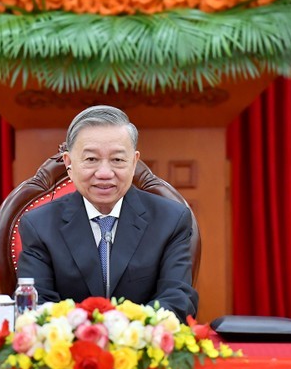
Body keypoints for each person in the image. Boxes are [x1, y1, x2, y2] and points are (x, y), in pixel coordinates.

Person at [16, 105, 198, 321]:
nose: (104, 173)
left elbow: (177, 299)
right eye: (91, 159)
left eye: (117, 160)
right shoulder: (39, 225)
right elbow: (38, 307)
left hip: (142, 348)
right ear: (69, 163)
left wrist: (124, 334)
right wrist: (89, 334)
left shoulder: (170, 220)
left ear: (134, 162)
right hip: (69, 351)